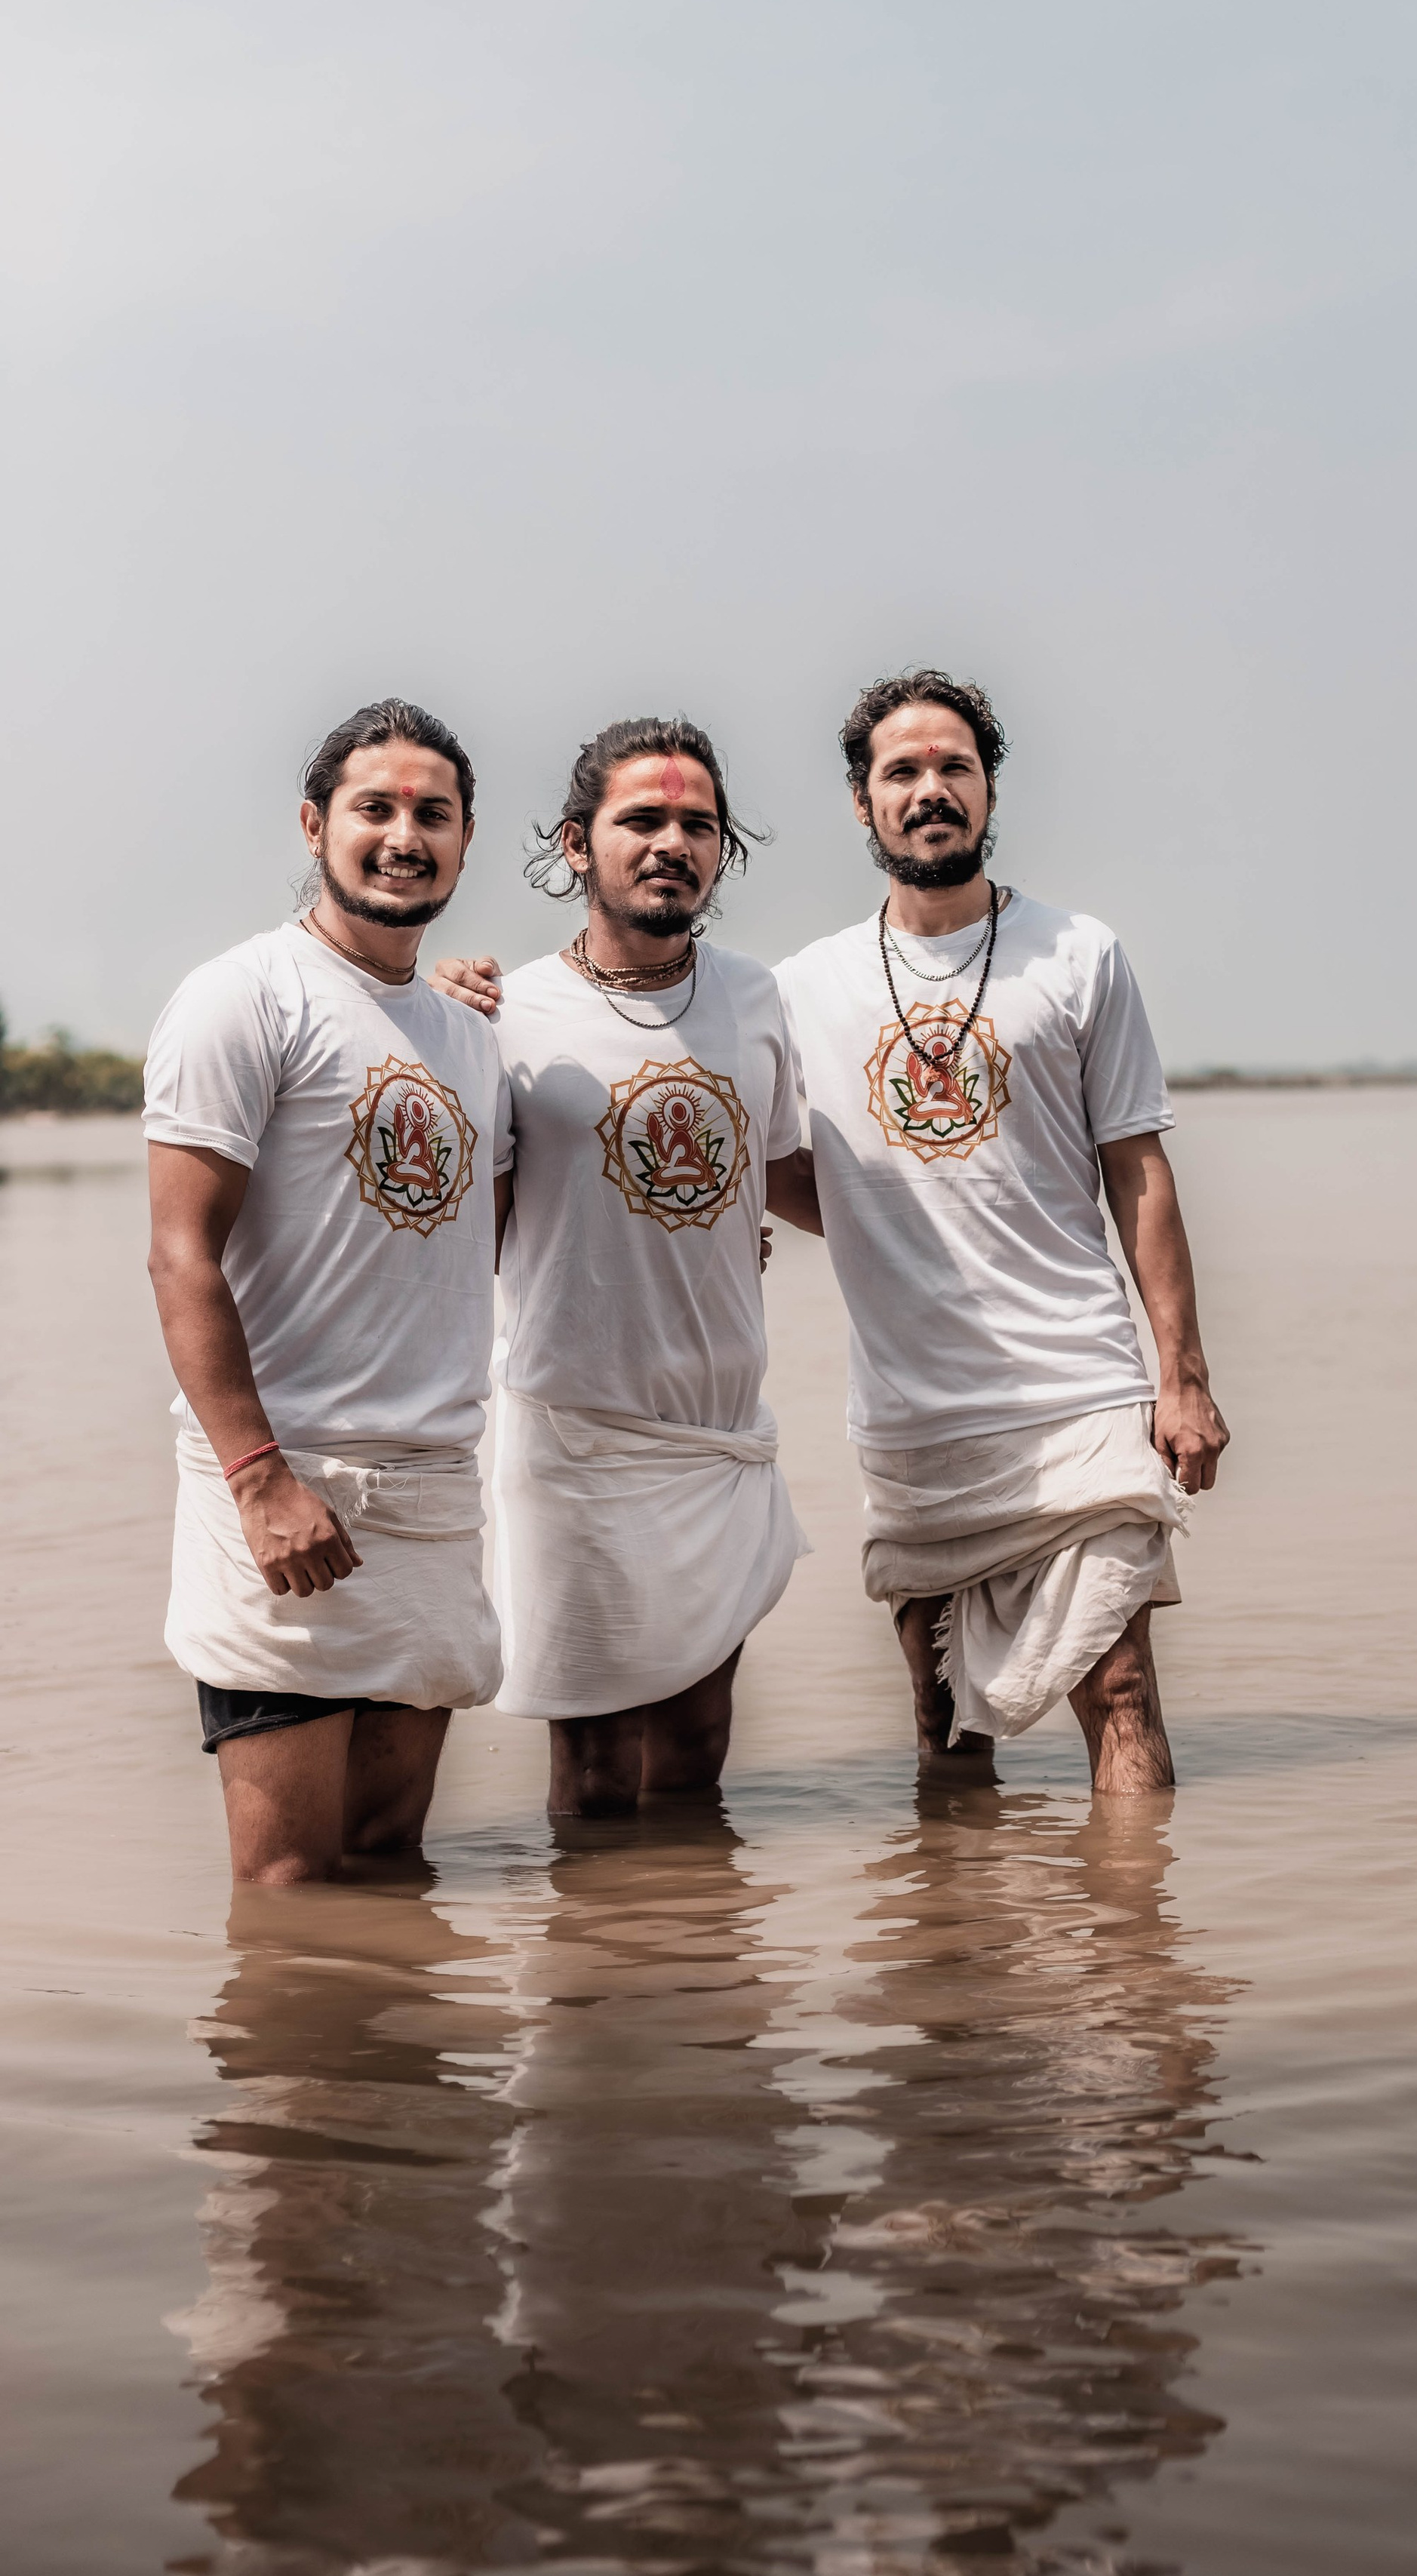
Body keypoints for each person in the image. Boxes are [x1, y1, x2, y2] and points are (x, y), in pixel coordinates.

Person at [773, 669, 1229, 1796]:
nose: (931, 791)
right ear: (861, 801)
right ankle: (956, 1962)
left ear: (988, 788)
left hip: (1077, 1387)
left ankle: (1136, 1962)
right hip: (916, 1413)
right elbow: (754, 1155)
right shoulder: (797, 989)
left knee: (1121, 1693)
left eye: (953, 769)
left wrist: (1183, 1379)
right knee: (942, 1734)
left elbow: (1140, 1169)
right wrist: (880, 1221)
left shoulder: (1078, 954)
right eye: (903, 772)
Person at [143, 699, 510, 1886]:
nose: (405, 835)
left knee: (392, 1863)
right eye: (376, 809)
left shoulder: (469, 1034)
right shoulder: (242, 997)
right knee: (290, 1888)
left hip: (434, 1494)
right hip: (288, 1494)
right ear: (315, 825)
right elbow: (180, 1254)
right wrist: (259, 1479)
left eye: (433, 814)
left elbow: (484, 1235)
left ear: (464, 839)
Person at [429, 721, 811, 1815]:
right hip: (573, 1429)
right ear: (575, 842)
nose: (671, 843)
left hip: (717, 1429)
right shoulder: (501, 1016)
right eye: (641, 820)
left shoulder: (756, 998)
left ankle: (695, 1973)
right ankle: (591, 1987)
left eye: (698, 825)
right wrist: (428, 1014)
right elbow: (469, 1222)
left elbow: (777, 1172)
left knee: (695, 1760)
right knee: (593, 1774)